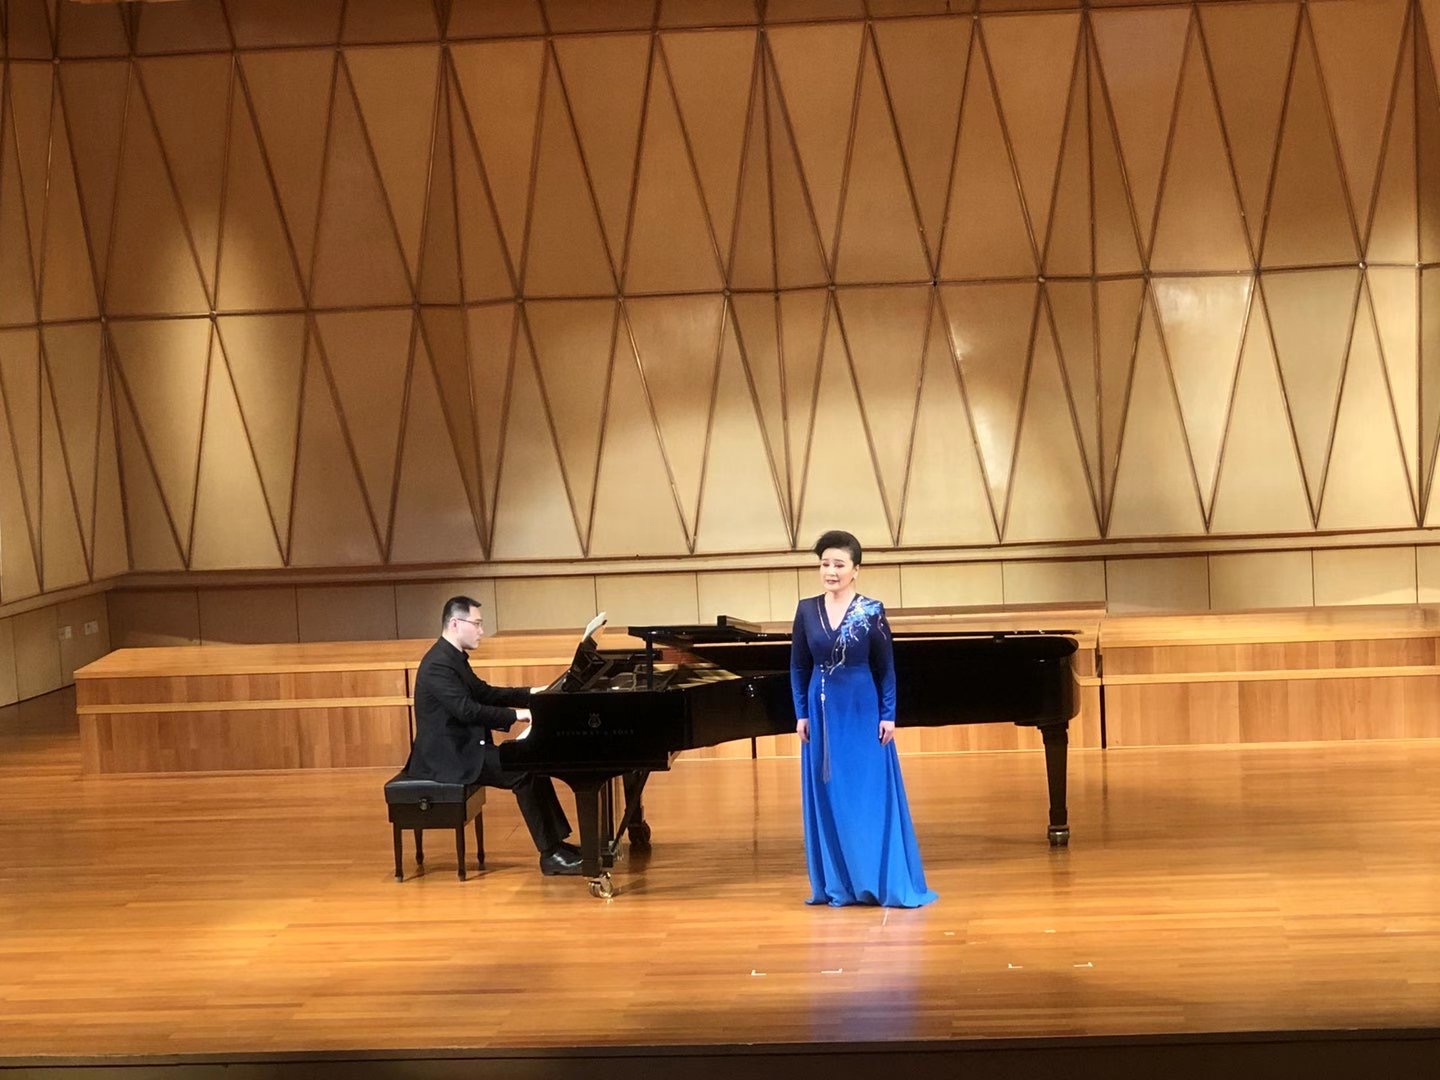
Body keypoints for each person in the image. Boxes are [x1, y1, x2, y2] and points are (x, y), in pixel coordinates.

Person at [791, 531, 937, 907]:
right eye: (825, 564)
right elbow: (798, 666)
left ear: (855, 569)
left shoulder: (871, 610)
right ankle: (839, 884)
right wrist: (801, 712)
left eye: (839, 564)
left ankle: (875, 878)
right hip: (822, 713)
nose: (830, 571)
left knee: (867, 794)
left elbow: (886, 668)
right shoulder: (806, 610)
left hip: (862, 709)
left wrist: (888, 714)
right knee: (831, 794)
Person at [405, 596, 583, 876]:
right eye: (476, 624)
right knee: (522, 770)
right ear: (455, 623)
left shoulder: (452, 658)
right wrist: (517, 715)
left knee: (531, 763)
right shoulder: (438, 664)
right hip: (449, 757)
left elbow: (485, 693)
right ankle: (550, 855)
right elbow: (467, 710)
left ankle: (557, 845)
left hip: (462, 748)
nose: (481, 631)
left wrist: (531, 694)